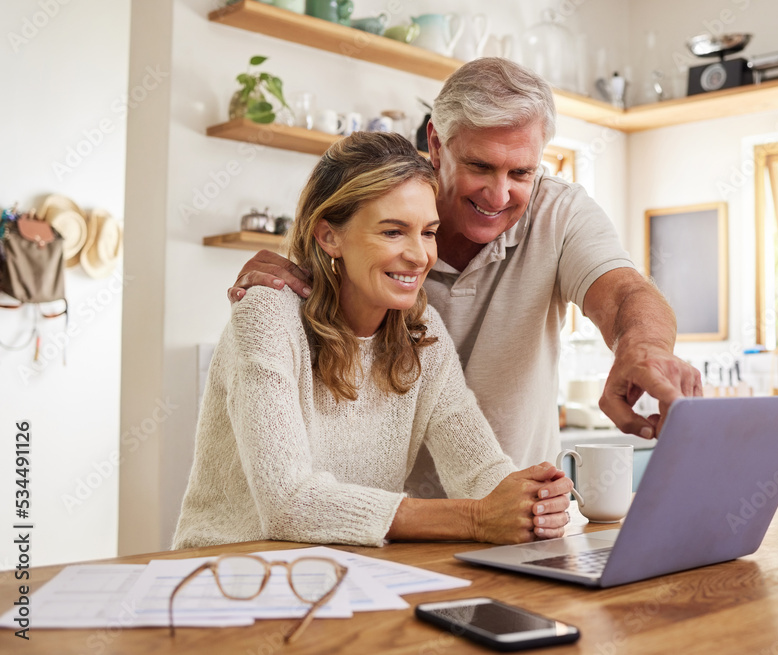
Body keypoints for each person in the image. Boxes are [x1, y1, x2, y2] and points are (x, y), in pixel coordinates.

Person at [228, 58, 702, 499]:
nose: (499, 194)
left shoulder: (559, 214)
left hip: (501, 509)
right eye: (480, 166)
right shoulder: (377, 220)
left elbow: (624, 294)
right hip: (380, 523)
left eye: (521, 172)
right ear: (436, 143)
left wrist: (643, 348)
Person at [173, 132, 572, 549]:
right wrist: (476, 518)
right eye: (393, 232)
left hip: (348, 576)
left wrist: (532, 500)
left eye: (428, 232)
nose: (419, 256)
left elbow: (480, 473)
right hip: (226, 578)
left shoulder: (422, 333)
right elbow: (289, 504)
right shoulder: (268, 315)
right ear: (329, 236)